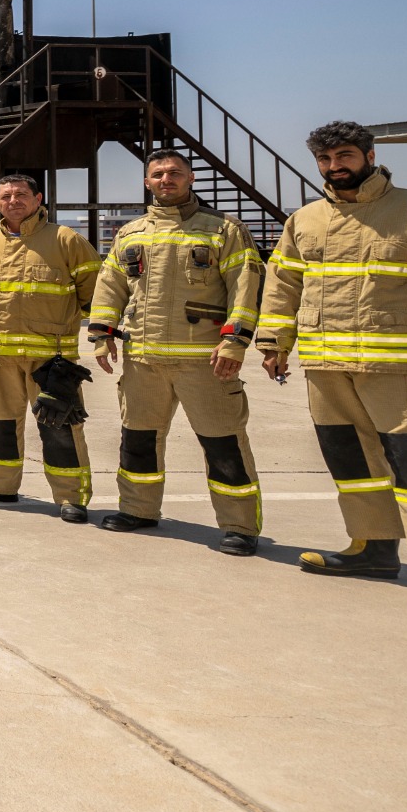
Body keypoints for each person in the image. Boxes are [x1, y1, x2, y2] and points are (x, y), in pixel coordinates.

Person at [259, 121, 407, 616]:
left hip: (397, 366)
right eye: (325, 159)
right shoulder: (306, 220)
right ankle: (373, 548)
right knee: (352, 464)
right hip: (324, 365)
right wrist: (274, 341)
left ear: (368, 154)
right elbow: (282, 287)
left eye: (344, 156)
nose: (335, 167)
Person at [88, 152, 266, 552]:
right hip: (142, 359)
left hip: (205, 360)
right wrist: (103, 334)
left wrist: (235, 343)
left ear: (191, 178)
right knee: (138, 439)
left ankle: (240, 527)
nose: (166, 179)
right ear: (147, 181)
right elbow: (111, 284)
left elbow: (245, 287)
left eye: (174, 173)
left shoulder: (224, 230)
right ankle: (138, 509)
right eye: (158, 174)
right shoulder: (131, 233)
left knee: (223, 443)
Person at [0, 172, 101, 522]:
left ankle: (71, 497)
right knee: (0, 424)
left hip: (50, 360)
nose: (13, 201)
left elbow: (93, 291)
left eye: (21, 195)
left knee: (60, 426)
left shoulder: (66, 240)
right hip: (1, 357)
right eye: (6, 196)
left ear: (38, 201)